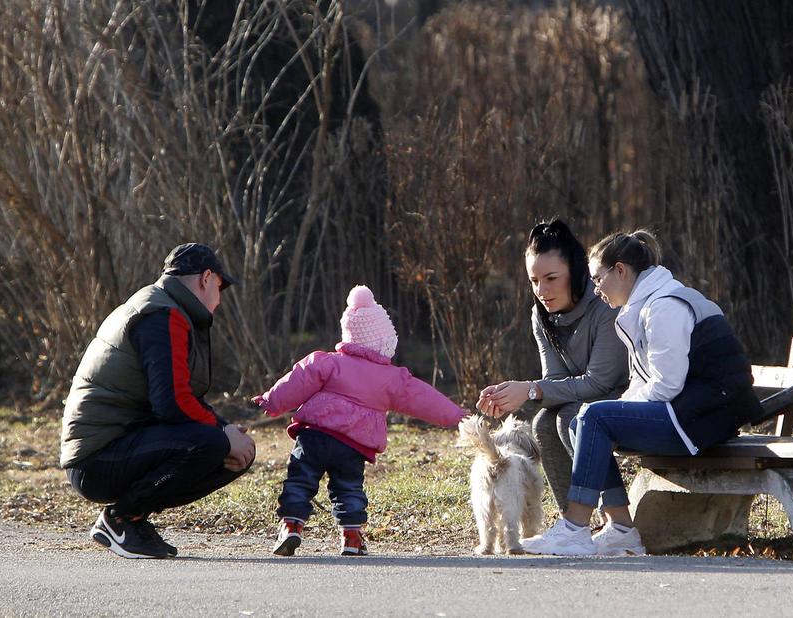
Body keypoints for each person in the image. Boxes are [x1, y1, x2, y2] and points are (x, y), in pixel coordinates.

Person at [523, 229, 763, 556]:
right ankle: (621, 529)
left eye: (598, 279)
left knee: (594, 417)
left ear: (621, 271)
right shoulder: (643, 306)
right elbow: (644, 381)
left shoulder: (664, 306)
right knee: (582, 420)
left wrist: (612, 414)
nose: (596, 288)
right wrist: (618, 410)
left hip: (703, 419)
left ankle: (574, 529)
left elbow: (667, 385)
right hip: (691, 412)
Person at [60, 243, 256, 559]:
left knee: (233, 449)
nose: (219, 300)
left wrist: (227, 431)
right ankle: (122, 519)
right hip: (95, 459)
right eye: (220, 288)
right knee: (212, 444)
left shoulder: (162, 306)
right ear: (206, 278)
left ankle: (133, 518)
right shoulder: (162, 315)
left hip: (116, 444)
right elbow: (172, 403)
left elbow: (179, 398)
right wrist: (222, 433)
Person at [254, 285, 466, 557]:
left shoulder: (328, 362)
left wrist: (271, 401)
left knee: (300, 479)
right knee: (348, 488)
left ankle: (291, 526)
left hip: (314, 436)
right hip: (352, 445)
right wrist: (456, 415)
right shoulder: (393, 378)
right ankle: (351, 537)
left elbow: (298, 379)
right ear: (385, 341)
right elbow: (423, 398)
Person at [476, 220, 628, 519]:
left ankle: (612, 520)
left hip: (628, 398)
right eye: (534, 280)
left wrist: (530, 390)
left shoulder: (605, 305)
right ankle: (571, 520)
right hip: (588, 400)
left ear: (576, 270)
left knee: (571, 417)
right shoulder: (540, 314)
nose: (541, 290)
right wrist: (513, 394)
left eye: (551, 278)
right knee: (544, 422)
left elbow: (600, 382)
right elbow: (556, 380)